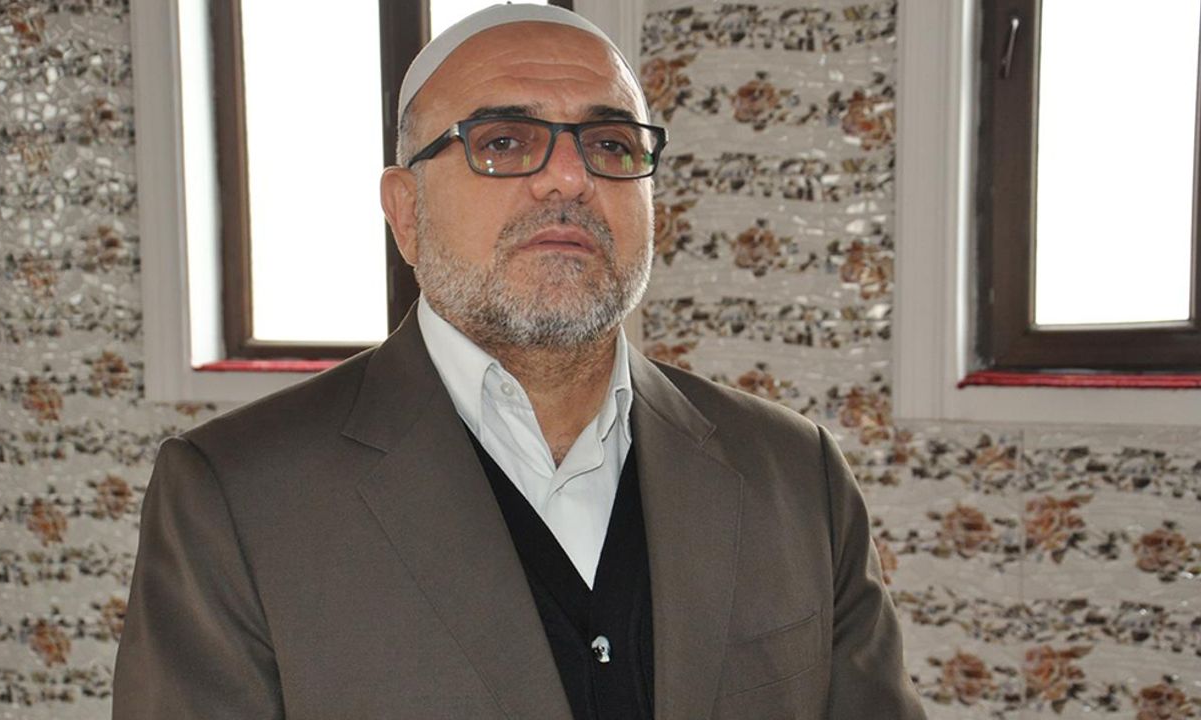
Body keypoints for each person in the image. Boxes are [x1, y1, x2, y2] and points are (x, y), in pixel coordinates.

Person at [112, 5, 927, 719]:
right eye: (503, 142)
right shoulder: (237, 498)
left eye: (610, 144)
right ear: (405, 210)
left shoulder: (795, 474)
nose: (568, 179)